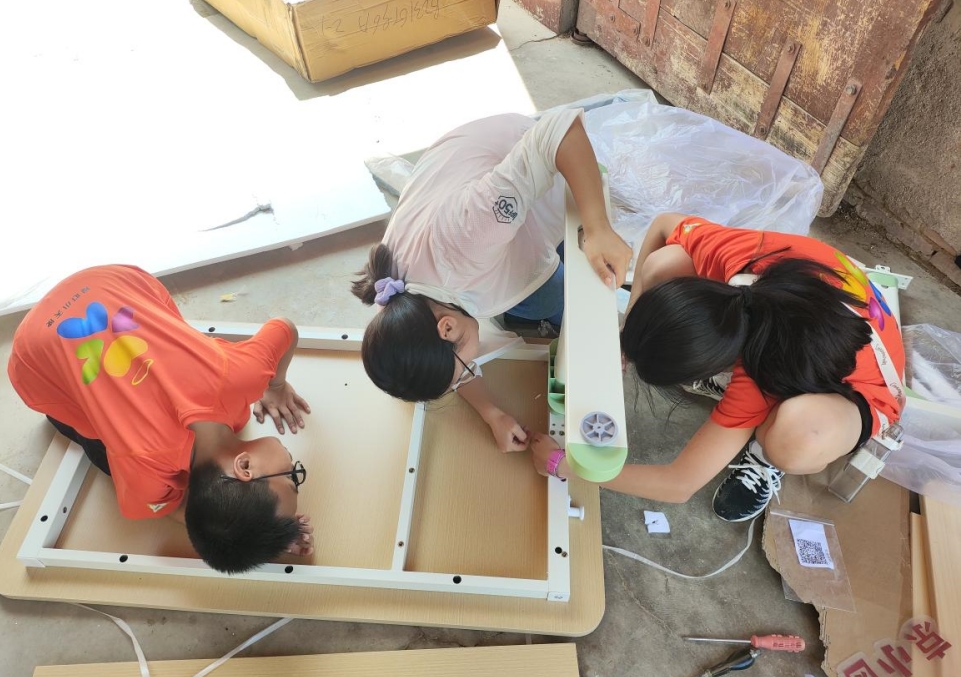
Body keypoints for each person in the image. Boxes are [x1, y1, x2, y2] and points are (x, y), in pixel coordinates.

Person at [531, 213, 906, 522]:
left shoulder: (759, 378)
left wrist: (567, 467)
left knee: (794, 437)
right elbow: (662, 225)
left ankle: (766, 454)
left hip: (871, 382)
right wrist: (629, 327)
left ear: (721, 366)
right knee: (663, 264)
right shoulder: (727, 252)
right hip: (836, 294)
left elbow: (679, 483)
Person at [351, 109, 633, 451]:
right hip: (458, 177)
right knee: (541, 295)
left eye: (464, 368)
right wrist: (491, 413)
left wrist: (597, 227)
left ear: (447, 327)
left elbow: (559, 130)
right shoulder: (396, 312)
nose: (468, 370)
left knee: (552, 293)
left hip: (518, 152)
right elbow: (448, 363)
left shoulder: (470, 234)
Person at [7, 265, 315, 573]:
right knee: (96, 439)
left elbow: (285, 328)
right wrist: (276, 387)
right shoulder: (143, 469)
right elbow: (168, 506)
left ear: (245, 466)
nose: (293, 469)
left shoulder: (243, 377)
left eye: (291, 479)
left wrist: (274, 384)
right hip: (34, 354)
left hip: (105, 283)